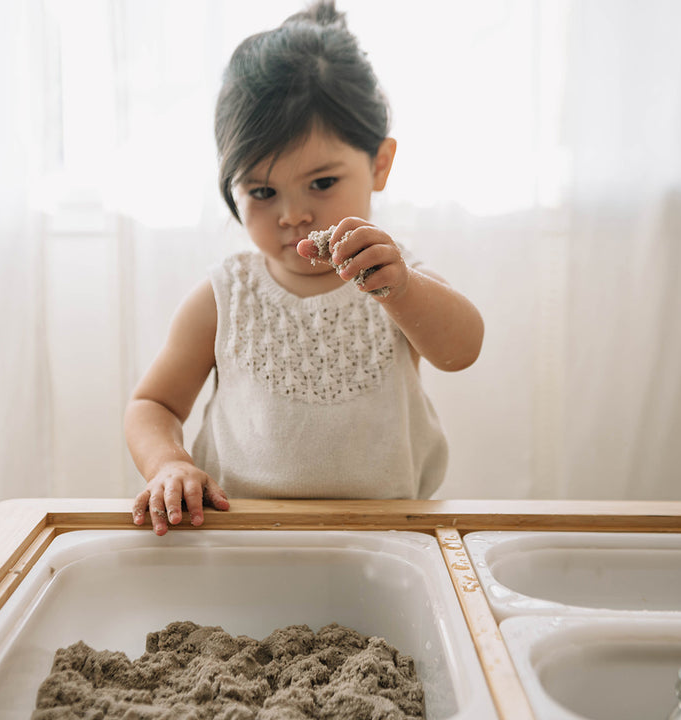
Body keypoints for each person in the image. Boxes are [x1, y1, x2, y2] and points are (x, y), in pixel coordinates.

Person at [126, 0, 484, 535]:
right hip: (243, 537)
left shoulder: (397, 276)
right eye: (263, 191)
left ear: (379, 165)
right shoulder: (224, 295)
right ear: (232, 190)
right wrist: (169, 463)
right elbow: (152, 403)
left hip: (387, 540)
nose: (294, 214)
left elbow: (462, 349)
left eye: (321, 183)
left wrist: (402, 291)